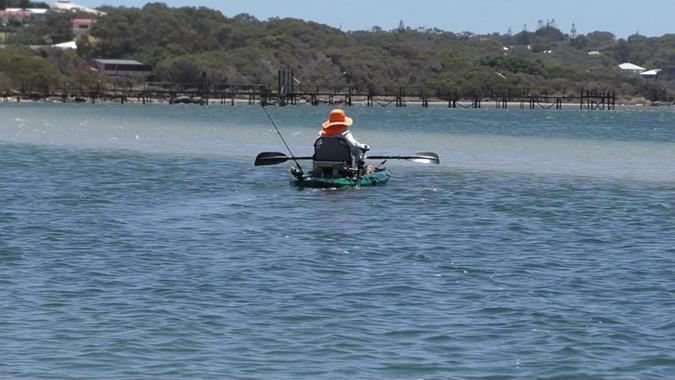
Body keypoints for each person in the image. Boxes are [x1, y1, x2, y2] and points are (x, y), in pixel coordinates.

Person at [316, 109, 370, 173]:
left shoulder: (322, 135)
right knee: (358, 151)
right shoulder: (345, 134)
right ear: (344, 124)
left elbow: (317, 146)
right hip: (343, 164)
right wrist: (359, 155)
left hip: (322, 162)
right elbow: (355, 146)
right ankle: (358, 170)